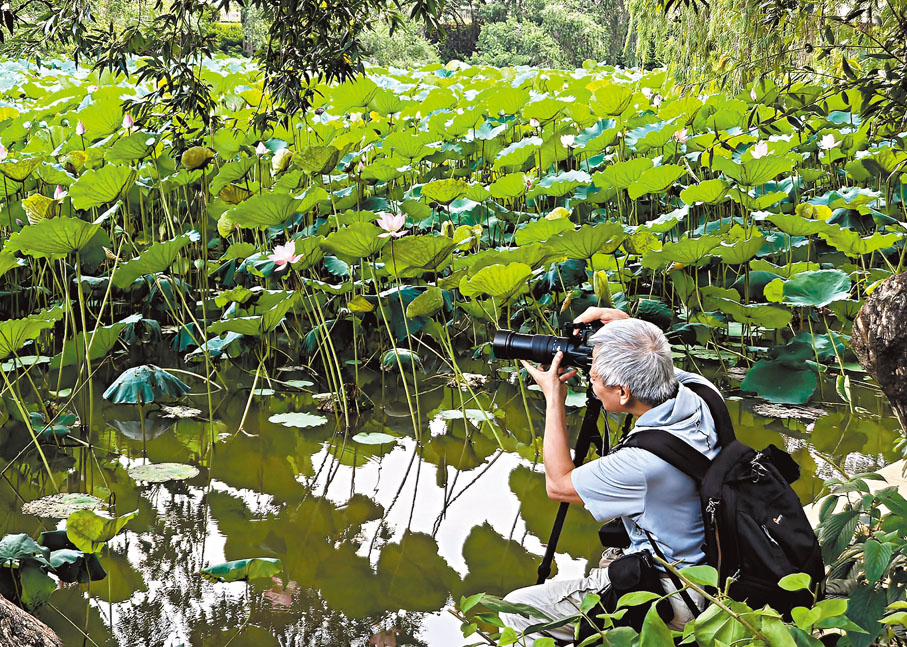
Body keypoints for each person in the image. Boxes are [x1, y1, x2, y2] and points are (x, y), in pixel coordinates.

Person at [499, 307, 721, 642]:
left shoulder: (641, 462)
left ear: (623, 393)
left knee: (516, 609)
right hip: (712, 563)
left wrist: (554, 400)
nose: (590, 376)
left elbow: (559, 485)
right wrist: (631, 333)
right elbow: (655, 360)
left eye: (596, 374)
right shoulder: (703, 393)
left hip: (677, 594)